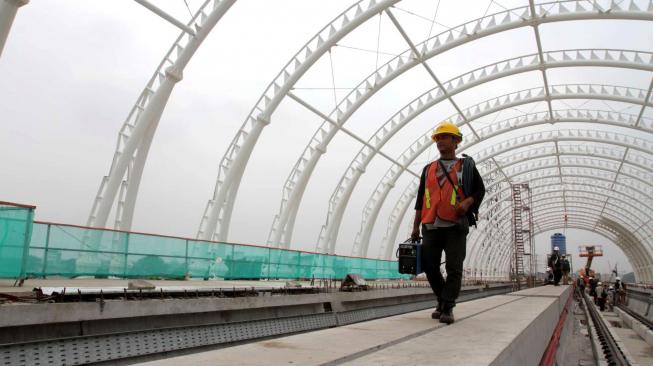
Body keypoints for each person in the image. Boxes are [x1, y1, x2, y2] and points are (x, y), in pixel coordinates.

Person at [411, 121, 485, 325]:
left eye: (444, 137)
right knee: (429, 266)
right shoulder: (428, 170)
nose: (440, 141)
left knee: (454, 267)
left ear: (456, 141)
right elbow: (420, 199)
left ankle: (448, 306)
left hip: (455, 225)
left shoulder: (466, 166)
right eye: (438, 138)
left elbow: (479, 190)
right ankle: (443, 300)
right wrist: (415, 226)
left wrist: (468, 202)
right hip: (431, 225)